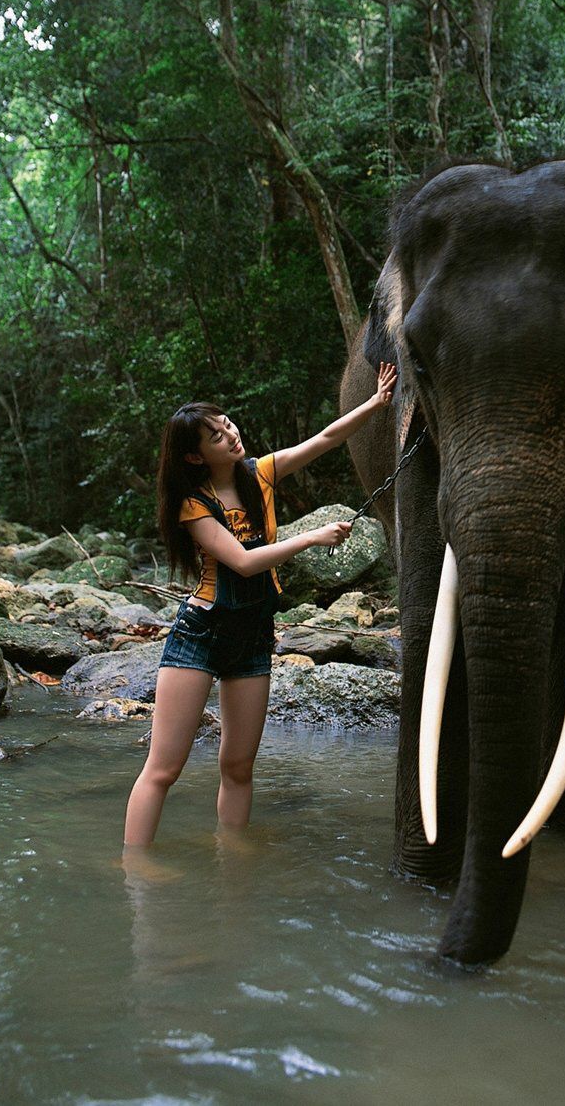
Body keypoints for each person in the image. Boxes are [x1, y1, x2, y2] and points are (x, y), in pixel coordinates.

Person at [123, 361, 397, 847]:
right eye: (215, 436)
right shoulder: (194, 504)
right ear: (194, 458)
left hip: (252, 634)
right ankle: (135, 869)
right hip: (200, 634)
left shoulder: (260, 474)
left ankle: (232, 865)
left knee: (238, 766)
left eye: (227, 423)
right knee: (164, 769)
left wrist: (375, 404)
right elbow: (242, 563)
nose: (230, 434)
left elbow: (326, 439)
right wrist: (310, 537)